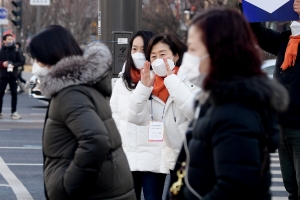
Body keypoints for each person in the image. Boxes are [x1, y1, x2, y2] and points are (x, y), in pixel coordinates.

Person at [170, 8, 289, 200]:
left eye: (193, 49)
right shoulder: (216, 100)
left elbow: (235, 189)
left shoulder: (235, 110)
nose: (187, 57)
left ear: (218, 50)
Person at [27, 25, 136, 200]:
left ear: (51, 56)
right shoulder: (82, 85)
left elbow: (96, 140)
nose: (35, 67)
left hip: (92, 192)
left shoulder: (70, 94)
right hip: (104, 189)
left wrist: (68, 185)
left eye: (38, 59)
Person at [126, 33, 200, 200]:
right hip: (172, 159)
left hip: (194, 157)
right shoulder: (150, 83)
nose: (158, 60)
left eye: (163, 54)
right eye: (153, 56)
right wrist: (143, 89)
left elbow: (194, 111)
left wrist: (171, 80)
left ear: (175, 55)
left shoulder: (190, 77)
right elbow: (134, 116)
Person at [239, 1, 300, 199]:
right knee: (292, 188)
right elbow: (258, 35)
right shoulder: (286, 40)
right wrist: (246, 7)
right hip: (283, 125)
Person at [110, 30, 159, 199]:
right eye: (134, 49)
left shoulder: (160, 79)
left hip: (153, 155)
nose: (138, 54)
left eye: (143, 49)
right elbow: (113, 113)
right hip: (127, 154)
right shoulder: (122, 80)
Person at [0, 34, 22, 119]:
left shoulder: (16, 50)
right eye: (8, 39)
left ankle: (14, 112)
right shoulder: (1, 50)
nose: (10, 41)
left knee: (14, 94)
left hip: (13, 75)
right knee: (0, 93)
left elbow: (21, 61)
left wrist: (14, 65)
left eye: (11, 39)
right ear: (4, 41)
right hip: (3, 75)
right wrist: (2, 64)